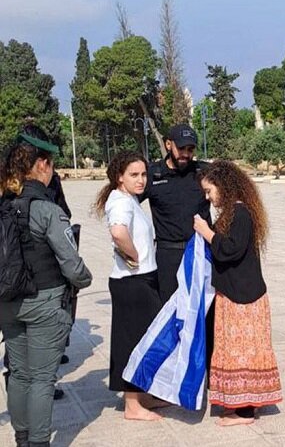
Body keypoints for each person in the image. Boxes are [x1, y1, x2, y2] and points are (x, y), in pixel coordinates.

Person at [0, 139, 92, 447]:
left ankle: (22, 438)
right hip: (45, 302)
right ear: (42, 165)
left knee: (19, 375)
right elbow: (72, 264)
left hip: (8, 303)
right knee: (41, 379)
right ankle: (39, 443)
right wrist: (84, 279)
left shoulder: (3, 205)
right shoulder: (46, 210)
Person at [193, 160, 282, 427]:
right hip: (237, 294)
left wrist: (208, 233)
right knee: (242, 351)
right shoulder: (236, 212)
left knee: (243, 352)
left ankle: (244, 410)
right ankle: (244, 404)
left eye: (210, 191)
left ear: (225, 186)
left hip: (243, 297)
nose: (209, 197)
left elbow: (230, 249)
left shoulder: (241, 214)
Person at [94, 151, 166, 421]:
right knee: (131, 342)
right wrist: (134, 254)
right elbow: (118, 231)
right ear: (119, 177)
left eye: (144, 174)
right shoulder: (121, 202)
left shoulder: (127, 198)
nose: (141, 180)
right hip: (132, 282)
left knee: (144, 339)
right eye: (134, 175)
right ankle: (132, 404)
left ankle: (142, 394)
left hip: (140, 279)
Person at [139, 124, 211, 303]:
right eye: (181, 148)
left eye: (191, 149)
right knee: (168, 310)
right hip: (168, 257)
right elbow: (126, 202)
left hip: (200, 253)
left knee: (202, 311)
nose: (186, 154)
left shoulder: (205, 172)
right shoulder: (152, 174)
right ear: (168, 144)